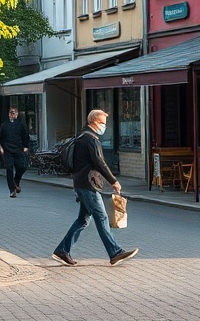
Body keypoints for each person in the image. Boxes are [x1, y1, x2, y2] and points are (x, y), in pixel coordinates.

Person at [52, 109, 137, 267]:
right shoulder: (90, 139)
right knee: (102, 217)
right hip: (87, 185)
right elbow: (99, 162)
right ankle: (115, 253)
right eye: (103, 123)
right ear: (94, 122)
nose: (104, 127)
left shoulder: (82, 136)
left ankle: (63, 250)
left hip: (81, 183)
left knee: (83, 219)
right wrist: (113, 181)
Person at [0, 106, 31, 197]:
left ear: (17, 114)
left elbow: (25, 137)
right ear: (8, 114)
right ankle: (12, 190)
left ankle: (16, 180)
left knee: (22, 166)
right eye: (11, 112)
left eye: (14, 112)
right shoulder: (4, 125)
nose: (12, 114)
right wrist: (2, 149)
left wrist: (26, 147)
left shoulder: (21, 125)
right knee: (9, 168)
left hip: (19, 149)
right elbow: (1, 138)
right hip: (8, 150)